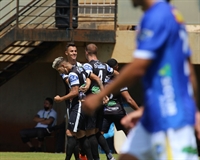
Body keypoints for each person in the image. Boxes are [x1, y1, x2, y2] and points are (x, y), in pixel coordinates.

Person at [83, 0, 200, 160]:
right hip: (154, 113)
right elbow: (187, 73)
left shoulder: (156, 16)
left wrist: (99, 96)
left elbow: (139, 66)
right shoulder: (173, 15)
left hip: (169, 117)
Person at [52, 57, 93, 160]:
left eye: (59, 70)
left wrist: (61, 99)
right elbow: (89, 77)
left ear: (63, 66)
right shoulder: (79, 68)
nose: (60, 72)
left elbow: (75, 92)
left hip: (78, 105)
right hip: (82, 103)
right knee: (81, 134)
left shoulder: (72, 73)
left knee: (70, 133)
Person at [83, 43, 117, 160]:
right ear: (96, 52)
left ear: (86, 52)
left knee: (90, 133)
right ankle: (109, 155)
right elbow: (117, 74)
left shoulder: (87, 66)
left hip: (92, 101)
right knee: (98, 131)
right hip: (101, 102)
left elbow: (90, 78)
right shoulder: (104, 66)